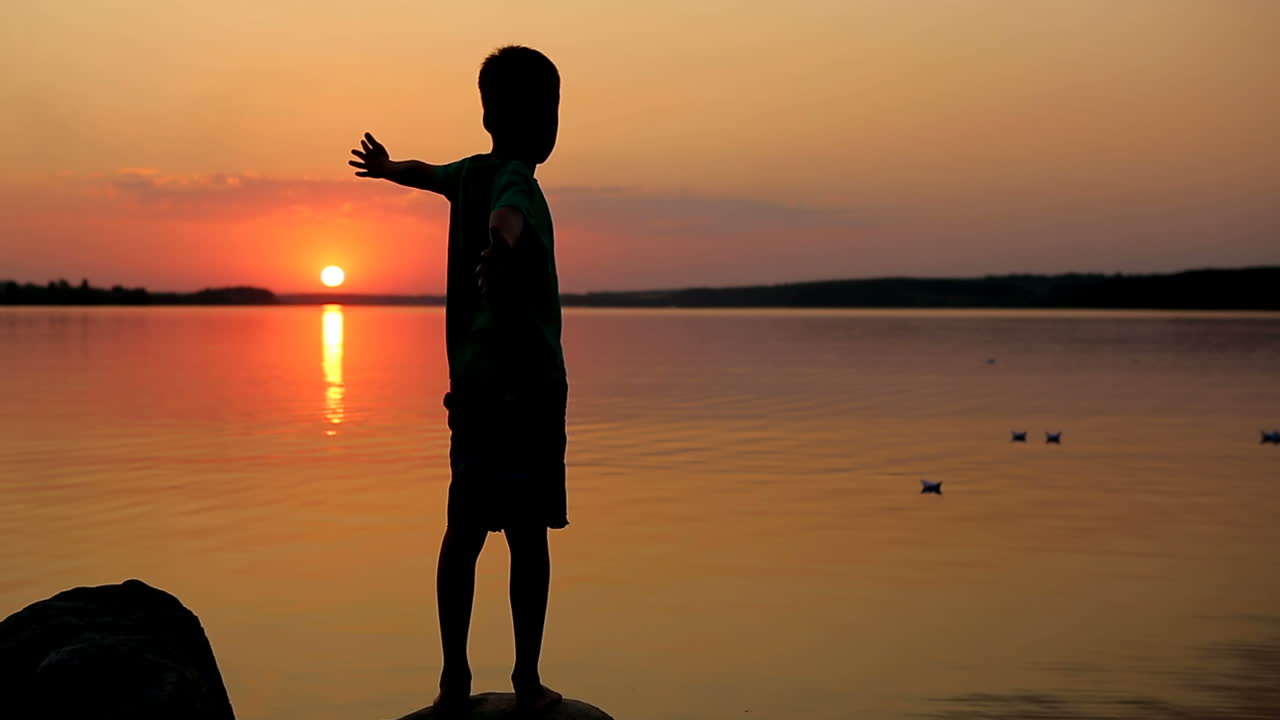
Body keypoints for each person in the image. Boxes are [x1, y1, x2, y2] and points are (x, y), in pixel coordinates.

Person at [349, 45, 567, 713]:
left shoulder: (467, 174)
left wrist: (387, 169)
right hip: (526, 392)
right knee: (527, 538)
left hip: (471, 392)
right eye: (554, 110)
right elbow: (508, 215)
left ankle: (454, 680)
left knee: (464, 531)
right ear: (535, 119)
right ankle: (526, 679)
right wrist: (500, 249)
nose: (557, 123)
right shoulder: (516, 181)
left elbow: (426, 173)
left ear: (486, 113)